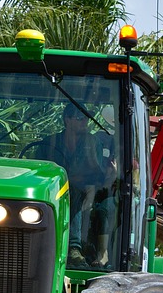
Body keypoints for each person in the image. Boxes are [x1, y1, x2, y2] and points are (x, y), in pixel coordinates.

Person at [39, 103, 117, 265]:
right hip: (50, 195)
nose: (85, 123)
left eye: (86, 119)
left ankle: (74, 247)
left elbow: (95, 174)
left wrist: (92, 184)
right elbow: (38, 173)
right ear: (67, 120)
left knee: (73, 191)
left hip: (84, 190)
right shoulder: (49, 143)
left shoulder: (92, 142)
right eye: (80, 118)